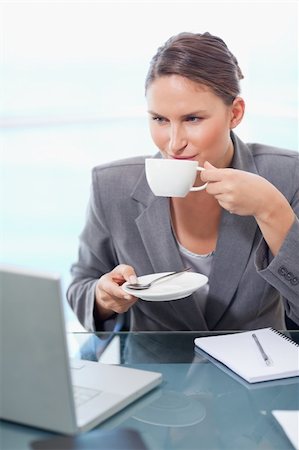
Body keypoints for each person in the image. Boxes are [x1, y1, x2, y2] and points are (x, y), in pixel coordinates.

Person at [67, 32, 299, 332]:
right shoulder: (112, 186)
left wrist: (271, 210)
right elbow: (81, 285)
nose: (174, 144)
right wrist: (102, 296)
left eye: (193, 119)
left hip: (258, 369)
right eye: (160, 119)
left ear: (235, 113)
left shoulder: (285, 174)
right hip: (154, 372)